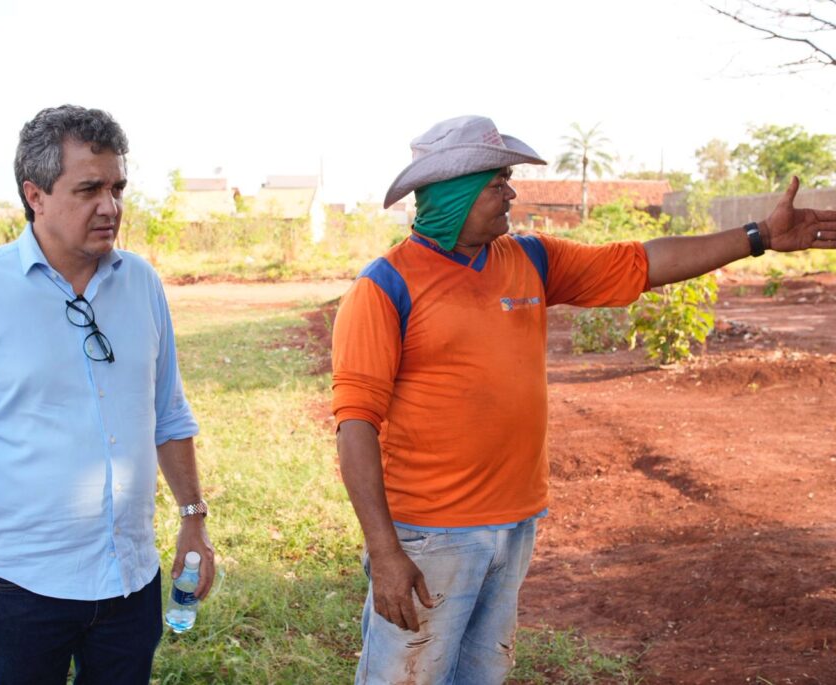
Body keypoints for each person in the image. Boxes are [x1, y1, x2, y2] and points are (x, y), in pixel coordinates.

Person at [331, 114, 836, 684]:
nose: (511, 193)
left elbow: (645, 263)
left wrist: (758, 237)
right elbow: (356, 427)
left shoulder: (530, 260)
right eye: (498, 182)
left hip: (515, 524)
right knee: (409, 677)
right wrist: (386, 550)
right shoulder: (386, 286)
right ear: (457, 192)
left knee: (481, 676)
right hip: (428, 535)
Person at [0, 104, 215, 685]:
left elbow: (168, 414)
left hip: (131, 581)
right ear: (35, 194)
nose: (110, 206)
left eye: (118, 187)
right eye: (89, 188)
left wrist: (193, 519)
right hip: (25, 587)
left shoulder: (140, 282)